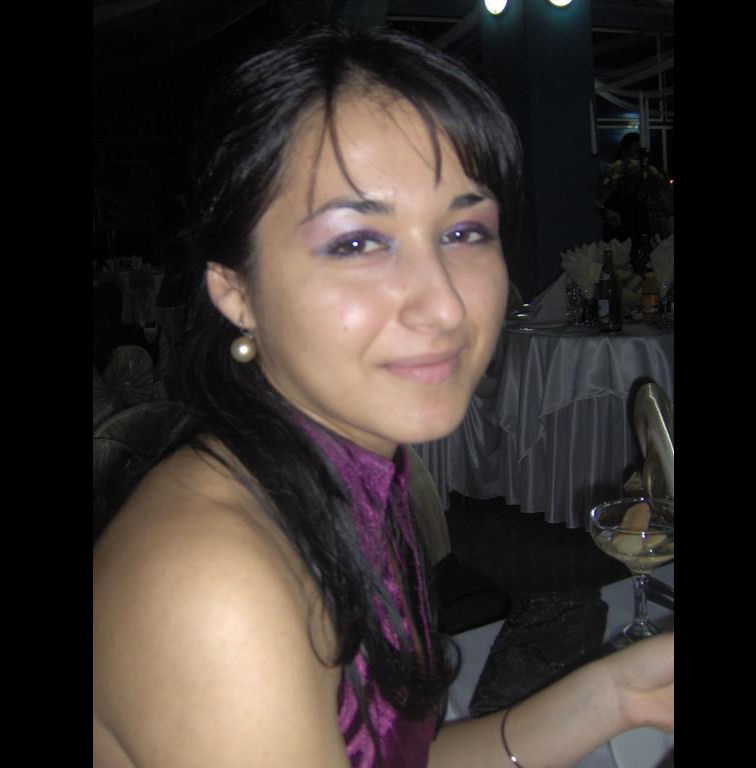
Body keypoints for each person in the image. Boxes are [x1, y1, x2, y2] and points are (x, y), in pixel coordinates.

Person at [93, 26, 673, 768]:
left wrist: (616, 696)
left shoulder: (344, 475)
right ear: (235, 290)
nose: (444, 306)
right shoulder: (212, 581)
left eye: (464, 231)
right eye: (356, 243)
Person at [595, 132, 674, 244]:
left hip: (639, 225)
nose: (639, 158)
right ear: (624, 153)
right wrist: (606, 212)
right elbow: (600, 201)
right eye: (636, 152)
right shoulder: (615, 173)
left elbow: (664, 202)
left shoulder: (648, 175)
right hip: (618, 227)